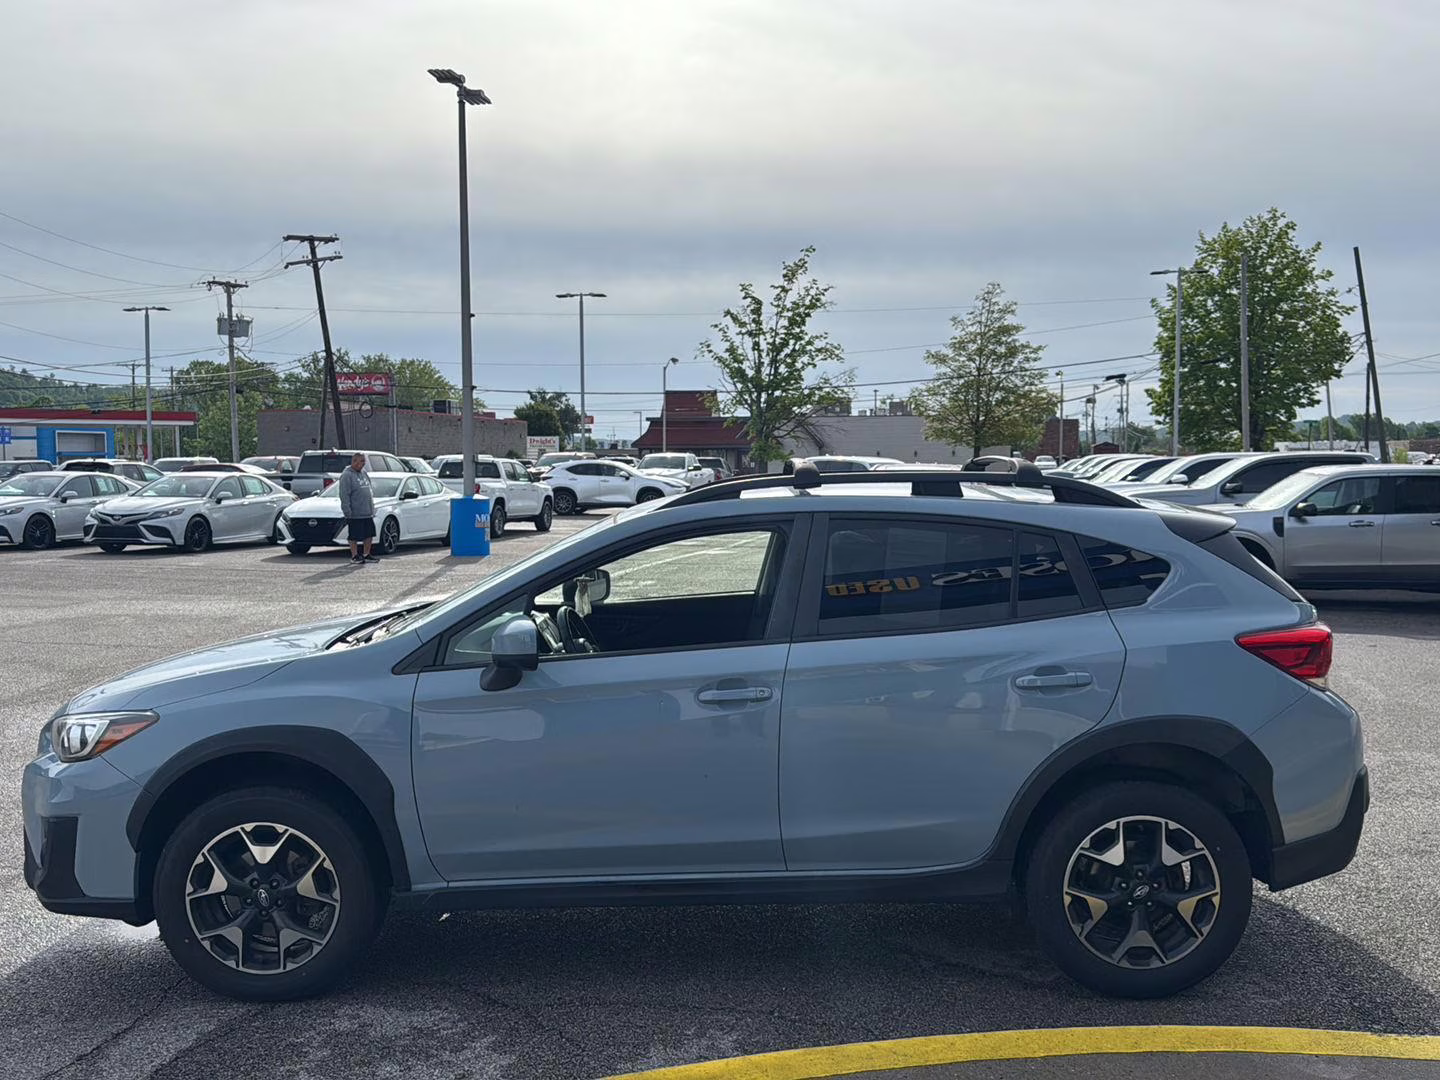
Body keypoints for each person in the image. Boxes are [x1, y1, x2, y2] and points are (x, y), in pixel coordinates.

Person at [337, 452, 378, 564]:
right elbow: (344, 494)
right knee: (354, 535)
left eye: (364, 461)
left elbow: (369, 491)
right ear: (354, 461)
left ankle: (366, 554)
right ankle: (354, 556)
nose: (363, 463)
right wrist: (347, 510)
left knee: (369, 534)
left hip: (367, 512)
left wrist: (372, 508)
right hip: (355, 513)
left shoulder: (364, 473)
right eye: (361, 461)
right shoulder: (347, 475)